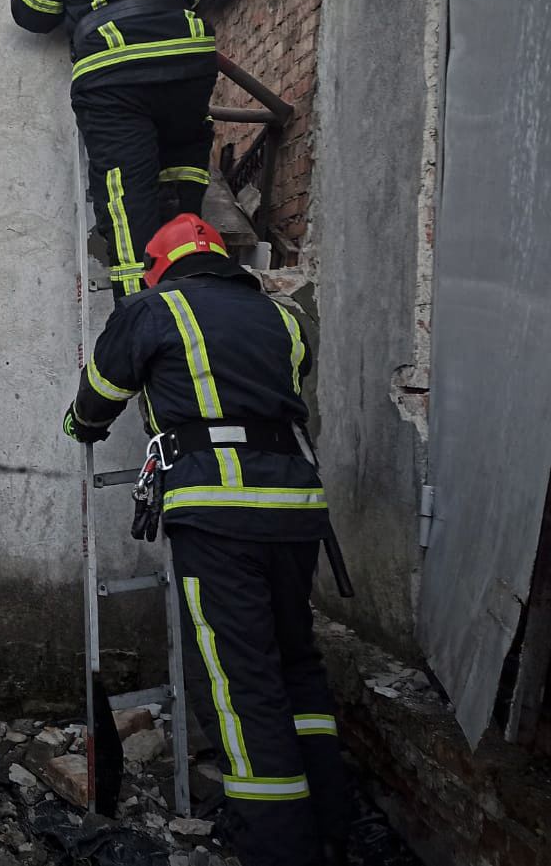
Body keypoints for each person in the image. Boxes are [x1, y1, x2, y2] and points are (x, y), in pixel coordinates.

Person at [62, 214, 352, 866]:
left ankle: (279, 846)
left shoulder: (149, 308)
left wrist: (77, 423)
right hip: (296, 507)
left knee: (238, 679)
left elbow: (98, 395)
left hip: (218, 513)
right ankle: (331, 819)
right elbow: (286, 387)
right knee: (295, 661)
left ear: (161, 268)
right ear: (222, 260)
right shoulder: (283, 317)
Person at [10, 0, 218, 300]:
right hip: (189, 64)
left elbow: (32, 15)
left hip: (114, 74)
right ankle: (196, 259)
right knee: (184, 160)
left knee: (125, 191)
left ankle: (139, 302)